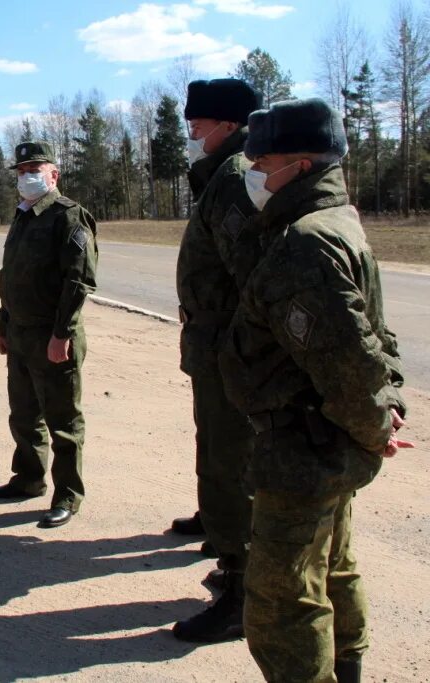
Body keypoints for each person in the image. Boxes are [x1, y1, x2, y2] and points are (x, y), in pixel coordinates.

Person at [218, 98, 411, 683]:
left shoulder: (305, 240)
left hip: (304, 449)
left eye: (261, 159)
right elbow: (374, 334)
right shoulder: (334, 220)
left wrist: (378, 421)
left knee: (282, 603)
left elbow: (348, 359)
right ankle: (347, 666)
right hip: (326, 439)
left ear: (298, 166)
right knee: (333, 568)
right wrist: (386, 407)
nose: (250, 170)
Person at [171, 78, 262, 642]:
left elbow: (248, 272)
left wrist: (232, 342)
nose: (190, 136)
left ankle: (242, 591)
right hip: (217, 344)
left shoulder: (231, 179)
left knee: (231, 462)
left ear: (228, 125)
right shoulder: (223, 175)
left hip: (229, 348)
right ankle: (230, 552)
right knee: (218, 450)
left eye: (197, 126)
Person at [0, 141, 98, 529]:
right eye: (21, 171)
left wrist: (61, 334)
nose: (27, 176)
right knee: (24, 415)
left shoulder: (68, 217)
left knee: (63, 421)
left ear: (54, 174)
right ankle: (29, 478)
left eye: (35, 169)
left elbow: (79, 280)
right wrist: (4, 327)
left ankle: (67, 494)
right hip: (19, 335)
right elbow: (10, 277)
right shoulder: (22, 216)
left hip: (53, 336)